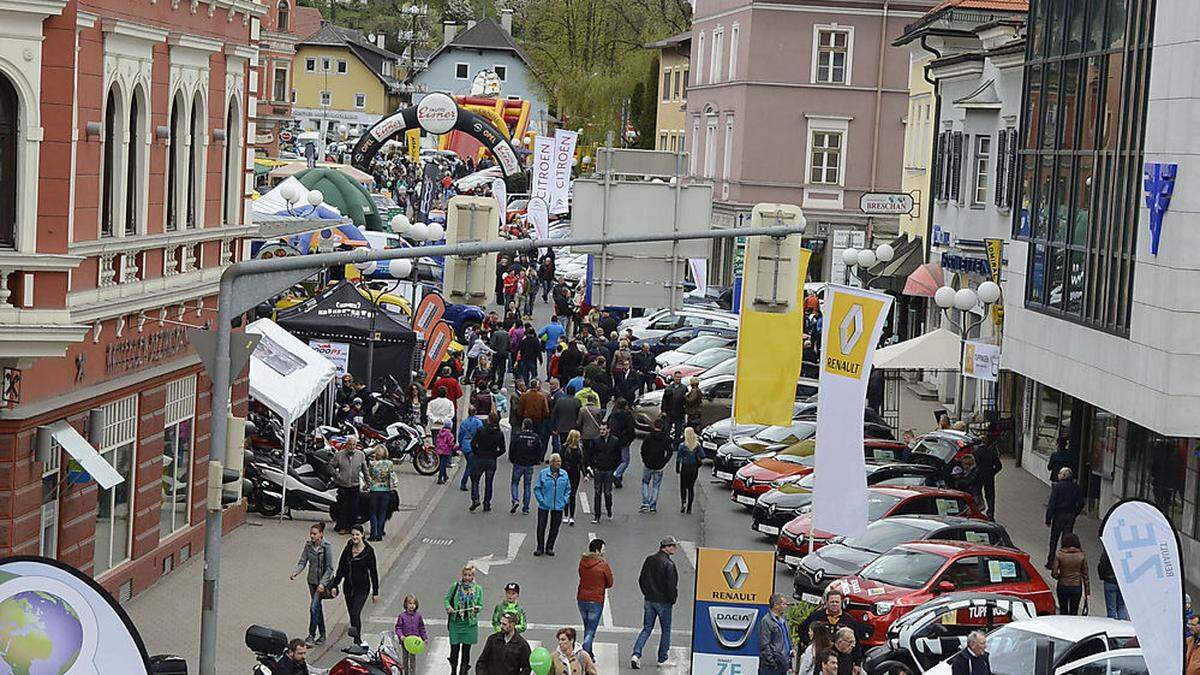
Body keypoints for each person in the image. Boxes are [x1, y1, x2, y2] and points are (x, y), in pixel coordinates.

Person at [631, 536, 679, 669]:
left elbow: (641, 579)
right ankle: (662, 658)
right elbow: (671, 586)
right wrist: (672, 599)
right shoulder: (669, 564)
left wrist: (646, 593)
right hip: (663, 602)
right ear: (667, 547)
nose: (675, 549)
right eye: (673, 546)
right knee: (666, 630)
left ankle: (636, 654)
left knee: (647, 628)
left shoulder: (650, 559)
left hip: (649, 599)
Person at [328, 525, 379, 647]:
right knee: (352, 614)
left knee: (356, 613)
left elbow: (373, 571)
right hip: (348, 587)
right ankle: (355, 635)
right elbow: (341, 568)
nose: (355, 537)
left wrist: (375, 592)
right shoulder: (348, 548)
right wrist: (335, 585)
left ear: (362, 535)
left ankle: (357, 640)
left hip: (362, 588)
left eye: (357, 534)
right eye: (353, 534)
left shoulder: (368, 551)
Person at [290, 522, 335, 646]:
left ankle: (311, 635)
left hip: (321, 583)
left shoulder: (326, 547)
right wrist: (295, 572)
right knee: (317, 608)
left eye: (314, 534)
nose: (312, 536)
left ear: (321, 534)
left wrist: (323, 583)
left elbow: (330, 568)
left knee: (313, 607)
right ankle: (323, 634)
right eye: (311, 534)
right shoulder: (308, 546)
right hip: (311, 581)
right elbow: (302, 561)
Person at [799, 587, 869, 657]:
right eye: (832, 602)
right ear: (826, 603)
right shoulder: (816, 616)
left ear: (841, 602)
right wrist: (810, 644)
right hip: (819, 656)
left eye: (837, 602)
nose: (834, 604)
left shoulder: (850, 621)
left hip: (842, 658)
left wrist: (857, 663)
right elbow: (802, 629)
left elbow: (856, 643)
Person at [577, 538, 614, 658]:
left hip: (582, 599)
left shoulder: (583, 562)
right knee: (591, 630)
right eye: (603, 549)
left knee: (588, 628)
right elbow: (610, 583)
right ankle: (585, 655)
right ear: (597, 551)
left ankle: (590, 654)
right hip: (596, 601)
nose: (605, 552)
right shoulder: (603, 565)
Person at [445, 565, 484, 675]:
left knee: (466, 650)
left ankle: (463, 671)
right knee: (454, 649)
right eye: (465, 575)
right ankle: (453, 670)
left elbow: (480, 604)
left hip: (469, 624)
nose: (467, 577)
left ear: (473, 576)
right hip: (456, 623)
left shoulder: (478, 589)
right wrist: (449, 607)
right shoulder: (456, 586)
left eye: (469, 575)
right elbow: (447, 599)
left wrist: (477, 609)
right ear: (462, 575)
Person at [327, 438, 370, 534]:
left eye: (354, 445)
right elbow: (330, 466)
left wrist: (368, 482)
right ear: (346, 445)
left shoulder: (360, 455)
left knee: (353, 507)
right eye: (350, 444)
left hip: (355, 485)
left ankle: (351, 527)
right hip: (343, 485)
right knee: (342, 507)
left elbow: (365, 470)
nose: (351, 447)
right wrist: (337, 476)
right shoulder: (339, 455)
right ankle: (342, 527)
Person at [534, 453, 571, 556]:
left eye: (560, 461)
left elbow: (568, 489)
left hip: (558, 505)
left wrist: (564, 501)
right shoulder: (543, 473)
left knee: (555, 527)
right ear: (551, 463)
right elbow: (537, 488)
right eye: (557, 462)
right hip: (544, 504)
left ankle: (550, 547)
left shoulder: (564, 474)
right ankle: (540, 547)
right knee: (541, 526)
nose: (559, 463)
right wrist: (541, 500)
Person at [1045, 467, 1082, 567]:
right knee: (1066, 540)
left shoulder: (1057, 487)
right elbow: (1081, 503)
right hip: (1070, 516)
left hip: (1058, 516)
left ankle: (1051, 561)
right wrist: (1075, 513)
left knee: (1054, 539)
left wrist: (1048, 518)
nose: (1058, 475)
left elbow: (1052, 503)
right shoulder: (1076, 487)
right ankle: (1064, 562)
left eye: (1060, 474)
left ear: (1064, 476)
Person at [471, 413, 506, 512]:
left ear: (489, 420)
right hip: (491, 460)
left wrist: (476, 452)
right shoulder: (499, 434)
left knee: (475, 479)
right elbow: (503, 449)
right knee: (489, 483)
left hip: (480, 458)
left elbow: (473, 443)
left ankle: (475, 498)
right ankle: (487, 503)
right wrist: (495, 455)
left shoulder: (481, 430)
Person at [587, 422, 621, 524]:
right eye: (601, 430)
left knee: (607, 492)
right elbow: (590, 454)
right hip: (598, 469)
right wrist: (593, 467)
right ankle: (597, 515)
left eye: (604, 429)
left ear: (608, 430)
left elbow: (618, 456)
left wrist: (614, 467)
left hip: (609, 470)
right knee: (597, 493)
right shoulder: (596, 441)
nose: (602, 431)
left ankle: (609, 508)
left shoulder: (615, 441)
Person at [1051, 532, 1090, 615]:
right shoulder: (1081, 555)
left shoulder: (1059, 554)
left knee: (1063, 610)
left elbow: (1054, 573)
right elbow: (1086, 575)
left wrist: (1060, 577)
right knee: (1074, 611)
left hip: (1063, 585)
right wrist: (1087, 593)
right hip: (1076, 586)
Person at [510, 419, 542, 515]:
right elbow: (539, 450)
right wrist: (536, 461)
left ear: (523, 425)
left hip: (518, 463)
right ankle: (526, 508)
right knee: (527, 485)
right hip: (529, 464)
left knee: (515, 483)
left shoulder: (518, 436)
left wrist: (513, 459)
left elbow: (512, 448)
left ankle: (515, 500)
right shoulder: (535, 437)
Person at [639, 419, 673, 513]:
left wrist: (644, 460)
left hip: (648, 464)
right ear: (662, 427)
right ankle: (653, 505)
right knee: (656, 486)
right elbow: (669, 452)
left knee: (645, 482)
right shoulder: (666, 438)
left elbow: (643, 450)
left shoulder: (649, 437)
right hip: (659, 465)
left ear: (654, 426)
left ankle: (645, 503)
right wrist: (664, 461)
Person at [365, 446, 395, 541]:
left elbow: (370, 475)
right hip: (385, 490)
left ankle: (373, 533)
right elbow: (391, 475)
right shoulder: (389, 463)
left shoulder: (372, 463)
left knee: (373, 512)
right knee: (382, 512)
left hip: (374, 490)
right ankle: (380, 534)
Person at [758, 594, 793, 675]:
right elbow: (764, 644)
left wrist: (790, 650)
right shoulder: (766, 621)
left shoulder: (783, 620)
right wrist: (772, 662)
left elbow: (786, 638)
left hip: (783, 663)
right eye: (784, 604)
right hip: (772, 666)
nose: (786, 606)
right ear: (776, 605)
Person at [395, 595, 428, 675]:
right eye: (410, 603)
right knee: (405, 658)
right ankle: (405, 672)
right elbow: (398, 627)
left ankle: (413, 673)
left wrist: (424, 638)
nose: (412, 605)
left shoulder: (418, 616)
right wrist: (401, 636)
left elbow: (421, 627)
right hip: (405, 641)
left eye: (414, 603)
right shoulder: (402, 616)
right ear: (406, 604)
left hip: (414, 642)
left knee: (412, 659)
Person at [518, 378, 552, 456]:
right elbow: (546, 411)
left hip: (526, 419)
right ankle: (536, 455)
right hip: (538, 420)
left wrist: (521, 418)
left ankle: (525, 453)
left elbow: (520, 409)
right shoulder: (542, 397)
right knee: (537, 438)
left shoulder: (524, 396)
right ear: (537, 386)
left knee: (525, 436)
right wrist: (543, 418)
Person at [971, 438, 1002, 520]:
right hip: (989, 476)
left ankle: (977, 512)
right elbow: (999, 466)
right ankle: (991, 514)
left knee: (977, 493)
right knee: (990, 495)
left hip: (977, 476)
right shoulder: (992, 452)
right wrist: (992, 472)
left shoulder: (974, 453)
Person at [608, 398, 636, 488]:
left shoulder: (613, 415)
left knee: (616, 459)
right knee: (625, 460)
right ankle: (617, 474)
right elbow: (631, 428)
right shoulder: (628, 415)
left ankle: (618, 478)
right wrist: (630, 439)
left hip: (614, 440)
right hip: (624, 441)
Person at [562, 430, 587, 526]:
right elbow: (561, 460)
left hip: (574, 474)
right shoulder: (565, 448)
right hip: (567, 473)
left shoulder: (579, 449)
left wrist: (584, 474)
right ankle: (566, 514)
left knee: (572, 495)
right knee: (566, 494)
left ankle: (571, 516)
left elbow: (581, 463)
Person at [1098, 546, 1128, 620]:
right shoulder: (1125, 549)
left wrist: (1103, 575)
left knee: (1111, 608)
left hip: (1110, 580)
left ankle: (1113, 625)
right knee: (1121, 606)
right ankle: (1123, 625)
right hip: (1122, 581)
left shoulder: (1109, 548)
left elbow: (1102, 563)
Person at [551, 383, 582, 455]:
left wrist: (553, 427)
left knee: (563, 443)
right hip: (573, 427)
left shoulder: (560, 401)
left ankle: (563, 457)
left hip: (561, 427)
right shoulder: (577, 401)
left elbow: (554, 414)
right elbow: (579, 415)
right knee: (572, 444)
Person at [458, 407, 484, 492]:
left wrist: (460, 444)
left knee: (470, 463)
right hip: (473, 446)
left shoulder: (464, 423)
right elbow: (481, 434)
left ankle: (470, 480)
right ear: (475, 412)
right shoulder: (478, 422)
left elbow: (460, 435)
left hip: (465, 445)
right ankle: (464, 482)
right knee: (470, 466)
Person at [677, 427, 701, 514]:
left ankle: (683, 502)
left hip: (685, 468)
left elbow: (679, 458)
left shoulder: (682, 446)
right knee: (691, 487)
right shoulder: (697, 445)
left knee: (683, 486)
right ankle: (690, 507)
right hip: (694, 468)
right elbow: (703, 455)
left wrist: (677, 468)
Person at [660, 372, 687, 445]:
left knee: (678, 430)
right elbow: (664, 400)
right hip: (669, 412)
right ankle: (665, 444)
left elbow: (686, 401)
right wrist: (663, 410)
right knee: (666, 429)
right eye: (677, 377)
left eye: (680, 377)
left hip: (679, 412)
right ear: (674, 378)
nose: (679, 379)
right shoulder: (668, 388)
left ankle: (676, 444)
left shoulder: (684, 388)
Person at [435, 420, 456, 485]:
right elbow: (450, 443)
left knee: (442, 463)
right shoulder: (449, 434)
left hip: (439, 450)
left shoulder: (440, 432)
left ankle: (445, 476)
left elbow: (437, 440)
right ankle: (440, 478)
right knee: (443, 464)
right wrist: (454, 447)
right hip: (446, 451)